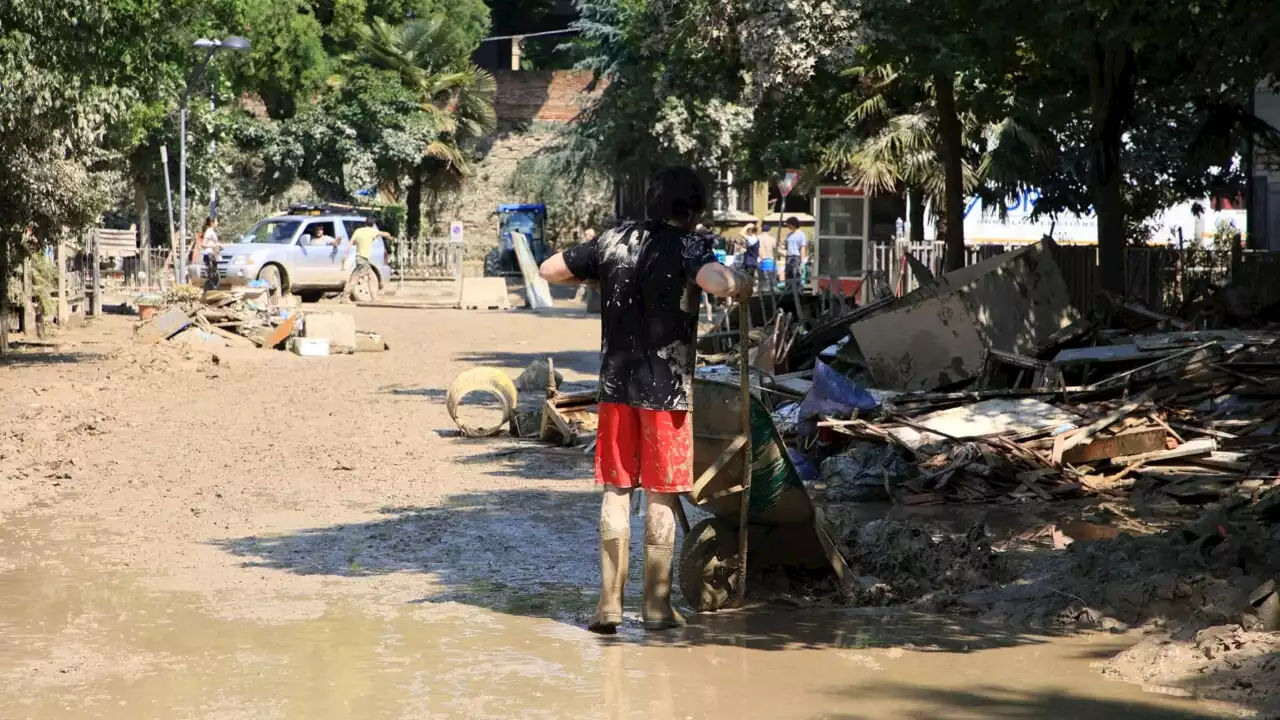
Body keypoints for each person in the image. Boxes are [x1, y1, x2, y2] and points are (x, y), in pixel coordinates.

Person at [538, 166, 752, 634]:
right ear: (693, 211)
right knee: (659, 495)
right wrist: (739, 282)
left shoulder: (614, 241)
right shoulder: (689, 245)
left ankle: (608, 606)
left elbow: (550, 269)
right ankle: (656, 606)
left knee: (616, 491)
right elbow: (716, 282)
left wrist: (602, 278)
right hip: (667, 392)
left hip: (615, 389)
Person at [342, 218, 392, 300]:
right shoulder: (372, 231)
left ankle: (374, 297)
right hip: (363, 259)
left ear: (365, 224)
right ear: (372, 225)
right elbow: (385, 234)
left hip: (360, 258)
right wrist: (390, 238)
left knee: (371, 277)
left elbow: (350, 243)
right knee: (355, 279)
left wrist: (345, 255)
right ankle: (345, 296)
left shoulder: (358, 231)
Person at [197, 217, 221, 289]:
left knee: (215, 275)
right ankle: (210, 291)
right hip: (209, 255)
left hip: (213, 255)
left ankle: (213, 290)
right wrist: (214, 245)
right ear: (212, 223)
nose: (217, 223)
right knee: (212, 276)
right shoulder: (209, 232)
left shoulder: (212, 231)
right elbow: (203, 244)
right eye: (216, 221)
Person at [783, 217, 807, 282]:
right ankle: (789, 291)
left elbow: (803, 248)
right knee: (788, 275)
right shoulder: (789, 235)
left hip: (796, 257)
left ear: (793, 224)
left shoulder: (801, 234)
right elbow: (786, 247)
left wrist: (802, 262)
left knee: (795, 275)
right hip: (788, 257)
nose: (788, 226)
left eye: (789, 224)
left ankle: (797, 291)